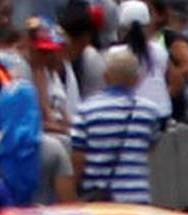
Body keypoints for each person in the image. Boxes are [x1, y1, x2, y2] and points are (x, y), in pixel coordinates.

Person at [70, 46, 168, 203]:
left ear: (106, 77)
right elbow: (149, 148)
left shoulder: (86, 109)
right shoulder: (150, 111)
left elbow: (78, 158)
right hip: (137, 196)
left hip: (98, 198)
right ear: (137, 79)